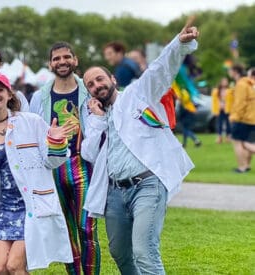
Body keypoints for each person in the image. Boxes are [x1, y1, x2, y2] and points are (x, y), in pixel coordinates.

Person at [81, 23, 199, 275]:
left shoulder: (137, 95)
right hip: (115, 192)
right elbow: (88, 153)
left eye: (100, 78)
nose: (96, 85)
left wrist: (178, 44)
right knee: (120, 253)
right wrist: (99, 120)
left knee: (145, 251)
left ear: (113, 79)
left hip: (147, 185)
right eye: (90, 84)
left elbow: (159, 71)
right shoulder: (95, 118)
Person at [0, 72, 73, 274]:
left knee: (15, 265)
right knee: (0, 268)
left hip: (30, 205)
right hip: (3, 208)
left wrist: (56, 142)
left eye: (0, 90)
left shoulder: (31, 122)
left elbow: (51, 162)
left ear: (9, 94)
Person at [28, 42, 100, 275]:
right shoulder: (40, 97)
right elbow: (32, 133)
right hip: (53, 168)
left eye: (66, 57)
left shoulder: (88, 91)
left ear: (75, 60)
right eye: (56, 58)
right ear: (50, 64)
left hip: (83, 166)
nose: (62, 62)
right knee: (65, 232)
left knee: (88, 228)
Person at [228, 64, 255, 173]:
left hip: (243, 118)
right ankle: (247, 165)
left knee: (238, 142)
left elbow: (240, 103)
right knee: (248, 142)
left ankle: (242, 167)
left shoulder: (241, 84)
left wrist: (234, 116)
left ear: (235, 71)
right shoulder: (250, 84)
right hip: (252, 118)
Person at [211, 78, 232, 144]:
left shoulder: (230, 90)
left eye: (226, 81)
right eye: (223, 81)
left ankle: (228, 137)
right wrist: (214, 110)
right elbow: (214, 101)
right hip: (219, 110)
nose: (225, 83)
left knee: (228, 124)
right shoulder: (216, 91)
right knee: (219, 124)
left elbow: (232, 100)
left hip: (227, 109)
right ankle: (219, 137)